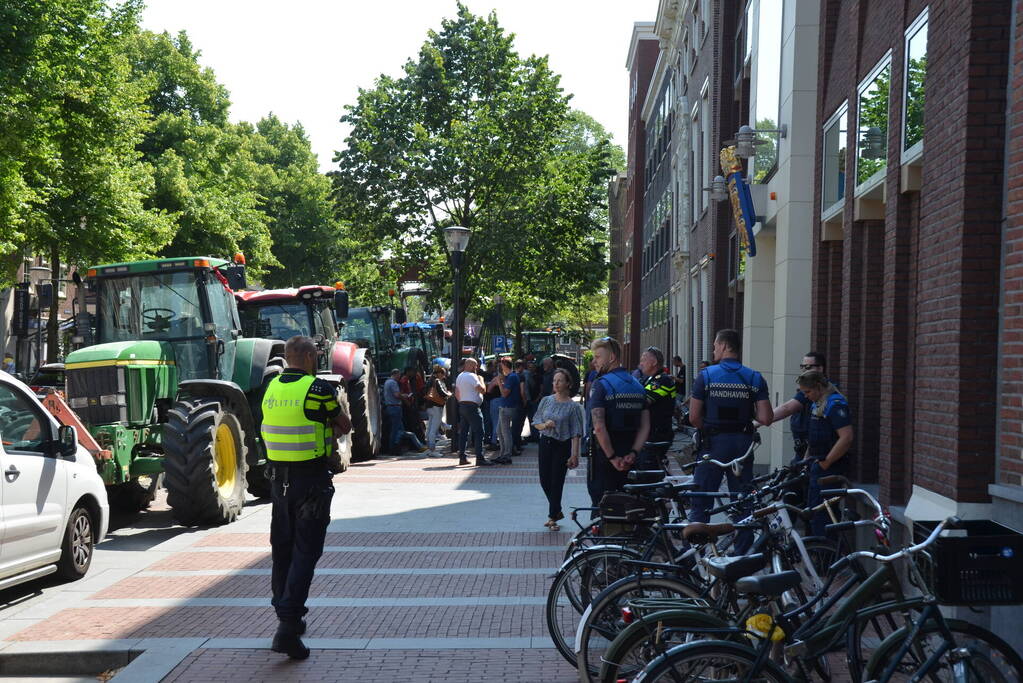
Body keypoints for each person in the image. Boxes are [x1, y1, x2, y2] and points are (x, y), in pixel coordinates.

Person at [261, 336, 352, 659]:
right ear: (312, 357)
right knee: (305, 552)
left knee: (281, 550)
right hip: (310, 482)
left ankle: (287, 615)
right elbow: (344, 424)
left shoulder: (271, 387)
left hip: (278, 484)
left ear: (287, 358)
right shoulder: (318, 390)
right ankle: (287, 626)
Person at [688, 329, 773, 554]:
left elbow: (693, 417)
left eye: (715, 345)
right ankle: (742, 554)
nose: (713, 350)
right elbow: (765, 417)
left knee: (702, 497)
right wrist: (743, 416)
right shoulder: (754, 377)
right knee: (742, 500)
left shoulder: (705, 376)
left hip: (713, 445)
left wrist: (710, 427)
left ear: (724, 346)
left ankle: (697, 554)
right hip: (742, 445)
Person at [781, 370, 853, 536]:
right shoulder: (817, 404)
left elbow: (846, 437)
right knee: (814, 512)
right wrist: (806, 460)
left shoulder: (835, 405)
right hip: (816, 465)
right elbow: (814, 438)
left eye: (808, 392)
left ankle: (826, 554)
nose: (806, 396)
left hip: (829, 469)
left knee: (824, 515)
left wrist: (827, 462)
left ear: (819, 387)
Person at [587, 337, 649, 506]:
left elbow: (599, 427)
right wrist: (634, 453)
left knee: (602, 507)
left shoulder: (601, 385)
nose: (594, 362)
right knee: (629, 505)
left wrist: (612, 458)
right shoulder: (637, 385)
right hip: (631, 456)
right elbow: (645, 425)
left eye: (598, 357)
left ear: (612, 357)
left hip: (605, 457)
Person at [532, 368, 583, 529]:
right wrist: (545, 425)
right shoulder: (546, 400)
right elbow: (536, 422)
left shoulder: (573, 407)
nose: (556, 383)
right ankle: (557, 510)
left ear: (568, 383)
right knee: (544, 480)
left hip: (562, 445)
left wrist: (574, 455)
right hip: (546, 443)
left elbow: (576, 432)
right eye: (554, 381)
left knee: (556, 481)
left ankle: (552, 517)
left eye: (560, 380)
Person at [772, 352, 828, 465]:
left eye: (808, 367)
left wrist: (758, 421)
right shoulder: (808, 387)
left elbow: (787, 408)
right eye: (802, 367)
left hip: (814, 454)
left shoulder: (819, 390)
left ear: (820, 369)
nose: (804, 370)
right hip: (802, 450)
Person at [638, 346, 678, 470]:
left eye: (644, 359)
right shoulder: (650, 380)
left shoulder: (662, 380)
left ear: (654, 362)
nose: (641, 363)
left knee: (648, 470)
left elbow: (642, 402)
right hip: (651, 433)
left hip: (657, 434)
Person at [455, 358, 492, 467]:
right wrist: (481, 379)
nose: (477, 368)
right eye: (475, 366)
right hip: (472, 407)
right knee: (479, 432)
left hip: (462, 405)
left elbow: (457, 393)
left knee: (463, 433)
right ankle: (480, 458)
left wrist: (462, 402)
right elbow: (482, 390)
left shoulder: (459, 376)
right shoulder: (472, 376)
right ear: (471, 366)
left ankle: (462, 457)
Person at [383, 369, 427, 455]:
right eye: (399, 375)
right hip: (395, 407)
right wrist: (405, 396)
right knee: (396, 430)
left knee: (400, 430)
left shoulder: (387, 382)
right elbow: (397, 395)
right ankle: (393, 448)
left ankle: (418, 445)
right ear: (395, 374)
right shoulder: (393, 383)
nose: (399, 377)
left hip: (390, 407)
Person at [495, 358, 520, 464]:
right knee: (499, 431)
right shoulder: (511, 377)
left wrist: (499, 383)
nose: (500, 367)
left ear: (505, 365)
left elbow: (505, 393)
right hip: (506, 407)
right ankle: (503, 453)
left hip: (507, 407)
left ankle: (506, 455)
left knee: (505, 432)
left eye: (501, 365)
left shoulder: (512, 377)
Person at [424, 365, 451, 457]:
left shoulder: (429, 380)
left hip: (429, 406)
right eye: (443, 374)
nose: (444, 377)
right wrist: (449, 394)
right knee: (433, 429)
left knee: (430, 428)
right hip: (436, 406)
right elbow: (442, 392)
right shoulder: (437, 381)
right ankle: (432, 450)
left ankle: (429, 448)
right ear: (439, 373)